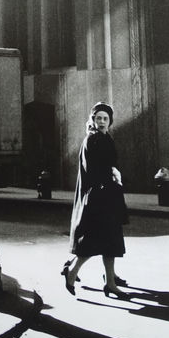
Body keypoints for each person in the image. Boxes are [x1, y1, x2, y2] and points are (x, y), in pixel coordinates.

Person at [61, 101, 129, 299]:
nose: (101, 121)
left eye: (105, 118)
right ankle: (72, 271)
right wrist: (112, 177)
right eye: (98, 118)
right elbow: (96, 170)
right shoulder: (94, 140)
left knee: (111, 241)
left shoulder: (104, 137)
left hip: (107, 195)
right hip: (101, 197)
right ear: (93, 120)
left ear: (110, 121)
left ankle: (110, 283)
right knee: (96, 240)